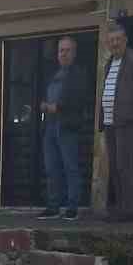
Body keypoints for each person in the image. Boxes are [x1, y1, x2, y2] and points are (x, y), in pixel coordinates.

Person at [100, 22, 133, 222]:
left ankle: (128, 210)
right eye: (111, 40)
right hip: (110, 121)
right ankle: (119, 207)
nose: (114, 43)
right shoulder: (109, 62)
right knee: (114, 165)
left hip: (127, 121)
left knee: (124, 165)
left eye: (118, 39)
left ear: (125, 40)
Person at [40, 35, 88, 220]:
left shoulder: (79, 74)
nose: (64, 54)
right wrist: (43, 104)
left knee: (70, 167)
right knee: (51, 168)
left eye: (67, 50)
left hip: (67, 126)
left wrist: (58, 107)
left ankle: (72, 207)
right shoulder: (53, 73)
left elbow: (79, 98)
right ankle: (53, 206)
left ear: (74, 53)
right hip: (50, 126)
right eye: (61, 50)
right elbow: (45, 94)